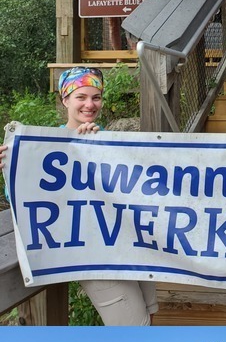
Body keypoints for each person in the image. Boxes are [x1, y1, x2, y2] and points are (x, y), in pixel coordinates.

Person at [0, 68, 158, 325]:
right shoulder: (42, 147)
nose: (89, 104)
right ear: (65, 100)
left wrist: (99, 144)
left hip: (133, 243)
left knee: (150, 312)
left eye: (96, 97)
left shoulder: (116, 140)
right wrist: (11, 167)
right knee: (134, 324)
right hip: (94, 253)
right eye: (81, 96)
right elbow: (24, 196)